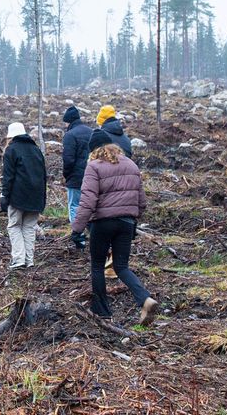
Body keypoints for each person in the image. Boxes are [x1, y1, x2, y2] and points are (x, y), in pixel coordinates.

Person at [70, 131, 158, 325]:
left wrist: (77, 229)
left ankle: (103, 313)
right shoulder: (130, 164)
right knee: (121, 267)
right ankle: (145, 298)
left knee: (97, 266)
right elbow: (141, 201)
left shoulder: (94, 167)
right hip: (126, 222)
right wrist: (132, 218)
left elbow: (87, 202)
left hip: (102, 223)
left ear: (94, 150)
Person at [0, 123, 46, 270]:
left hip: (17, 196)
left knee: (14, 226)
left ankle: (18, 259)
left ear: (11, 136)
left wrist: (4, 197)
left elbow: (8, 177)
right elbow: (44, 176)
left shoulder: (11, 150)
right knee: (29, 227)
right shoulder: (36, 149)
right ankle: (29, 260)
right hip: (36, 196)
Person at [61, 106, 93, 250]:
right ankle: (94, 236)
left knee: (74, 206)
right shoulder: (91, 132)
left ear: (68, 121)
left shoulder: (70, 135)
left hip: (76, 178)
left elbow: (68, 160)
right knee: (90, 207)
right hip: (93, 177)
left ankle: (78, 239)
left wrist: (67, 175)